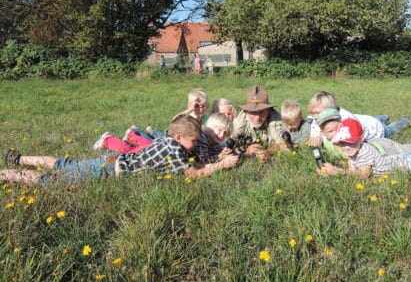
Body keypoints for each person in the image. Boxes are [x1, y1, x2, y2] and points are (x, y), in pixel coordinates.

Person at [1, 116, 238, 186]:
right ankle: (7, 173)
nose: (196, 144)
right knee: (51, 181)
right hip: (106, 171)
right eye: (193, 140)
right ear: (178, 138)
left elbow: (196, 162)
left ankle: (19, 158)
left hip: (111, 163)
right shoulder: (174, 149)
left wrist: (217, 155)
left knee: (66, 165)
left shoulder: (172, 143)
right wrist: (221, 165)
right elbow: (192, 174)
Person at [308, 91, 410, 147]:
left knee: (391, 130)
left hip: (375, 129)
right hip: (365, 119)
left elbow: (356, 146)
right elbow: (315, 139)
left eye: (317, 113)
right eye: (312, 113)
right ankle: (384, 117)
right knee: (376, 119)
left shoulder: (347, 121)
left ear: (329, 110)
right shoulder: (315, 119)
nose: (314, 117)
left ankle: (404, 121)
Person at [232, 85, 284, 157]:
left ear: (268, 110)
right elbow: (227, 146)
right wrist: (247, 151)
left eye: (261, 112)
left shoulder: (276, 119)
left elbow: (282, 144)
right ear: (246, 111)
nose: (257, 117)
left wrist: (266, 152)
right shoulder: (239, 123)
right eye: (253, 112)